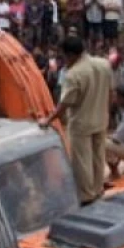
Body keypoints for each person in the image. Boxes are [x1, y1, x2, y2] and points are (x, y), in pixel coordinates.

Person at [38, 35, 113, 205]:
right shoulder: (104, 64)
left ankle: (87, 197)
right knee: (97, 158)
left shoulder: (73, 74)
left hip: (81, 124)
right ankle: (98, 189)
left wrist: (48, 120)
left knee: (82, 163)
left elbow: (64, 104)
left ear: (70, 54)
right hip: (101, 119)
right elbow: (111, 93)